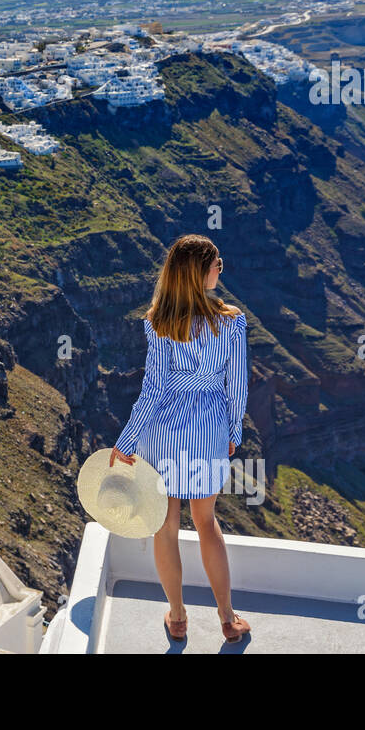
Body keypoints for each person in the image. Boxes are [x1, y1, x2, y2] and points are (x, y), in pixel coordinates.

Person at [109, 233, 251, 644]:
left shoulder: (159, 322)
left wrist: (129, 439)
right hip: (207, 426)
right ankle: (227, 619)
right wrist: (232, 431)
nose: (220, 267)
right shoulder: (230, 321)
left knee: (165, 525)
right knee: (206, 522)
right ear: (198, 272)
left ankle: (177, 618)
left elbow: (152, 388)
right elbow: (236, 386)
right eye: (215, 262)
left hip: (164, 431)